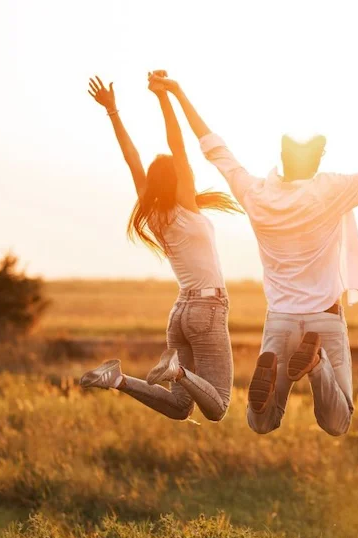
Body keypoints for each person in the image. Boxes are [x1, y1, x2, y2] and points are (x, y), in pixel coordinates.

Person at [148, 72, 358, 437]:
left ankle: (267, 397)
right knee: (338, 421)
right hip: (325, 319)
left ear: (282, 159)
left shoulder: (255, 193)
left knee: (262, 423)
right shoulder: (332, 189)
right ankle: (316, 364)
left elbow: (213, 148)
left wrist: (175, 94)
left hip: (280, 320)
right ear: (317, 162)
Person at [79, 74, 239, 423]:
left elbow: (131, 158)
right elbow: (178, 145)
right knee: (218, 408)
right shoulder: (186, 204)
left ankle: (117, 379)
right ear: (178, 179)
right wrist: (163, 97)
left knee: (180, 409)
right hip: (207, 309)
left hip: (179, 314)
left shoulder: (152, 214)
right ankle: (176, 371)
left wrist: (113, 111)